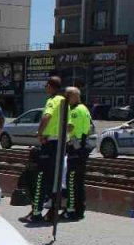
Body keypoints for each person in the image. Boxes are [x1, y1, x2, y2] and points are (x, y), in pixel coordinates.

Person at [22, 76, 66, 224]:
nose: (45, 88)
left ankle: (36, 213)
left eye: (46, 85)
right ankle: (52, 211)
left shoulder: (52, 101)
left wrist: (39, 133)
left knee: (41, 179)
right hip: (60, 143)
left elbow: (47, 116)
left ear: (51, 86)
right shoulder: (63, 100)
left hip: (50, 143)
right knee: (54, 179)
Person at [63, 86, 92, 221]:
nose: (66, 100)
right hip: (83, 147)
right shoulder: (85, 109)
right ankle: (80, 209)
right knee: (79, 181)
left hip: (75, 148)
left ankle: (71, 210)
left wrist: (61, 126)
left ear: (73, 97)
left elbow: (70, 127)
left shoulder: (74, 111)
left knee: (72, 180)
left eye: (67, 97)